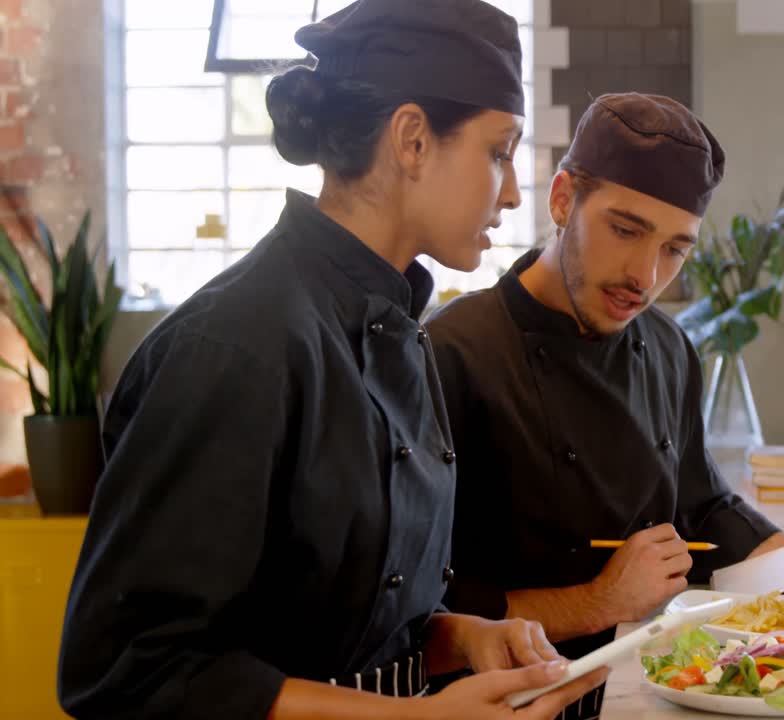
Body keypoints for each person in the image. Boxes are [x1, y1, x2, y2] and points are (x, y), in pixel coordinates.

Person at [56, 1, 605, 718]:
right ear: (412, 140)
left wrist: (460, 637)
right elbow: (128, 670)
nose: (510, 192)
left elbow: (336, 624)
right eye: (499, 152)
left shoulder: (398, 324)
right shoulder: (232, 346)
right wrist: (413, 718)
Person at [425, 93, 784, 720]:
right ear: (562, 199)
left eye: (675, 248)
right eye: (625, 229)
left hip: (651, 685)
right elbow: (425, 610)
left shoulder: (666, 346)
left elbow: (704, 507)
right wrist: (598, 601)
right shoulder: (449, 352)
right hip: (504, 705)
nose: (644, 274)